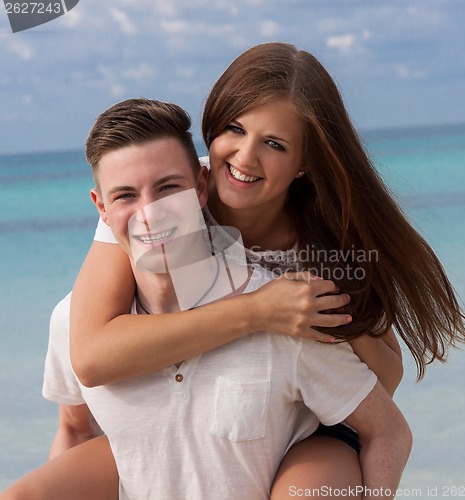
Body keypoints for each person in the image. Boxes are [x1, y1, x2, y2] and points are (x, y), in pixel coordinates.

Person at [66, 42, 465, 494]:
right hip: (201, 426)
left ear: (304, 164)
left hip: (312, 427)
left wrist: (327, 314)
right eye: (234, 129)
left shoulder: (323, 241)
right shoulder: (164, 198)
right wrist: (259, 311)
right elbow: (91, 355)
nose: (244, 157)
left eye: (274, 144)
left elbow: (385, 382)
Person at [1, 97, 411, 499]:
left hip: (318, 442)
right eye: (125, 195)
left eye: (167, 188)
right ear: (101, 209)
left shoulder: (293, 306)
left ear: (200, 186)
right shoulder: (74, 320)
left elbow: (384, 411)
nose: (150, 213)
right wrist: (253, 311)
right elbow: (76, 424)